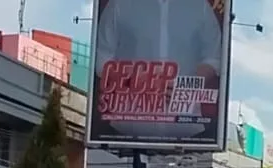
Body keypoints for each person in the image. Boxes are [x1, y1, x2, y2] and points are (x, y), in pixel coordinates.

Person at [93, 0, 224, 142]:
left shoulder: (200, 6)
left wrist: (185, 84)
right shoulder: (119, 5)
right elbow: (101, 61)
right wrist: (136, 81)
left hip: (187, 128)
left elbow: (214, 58)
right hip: (127, 129)